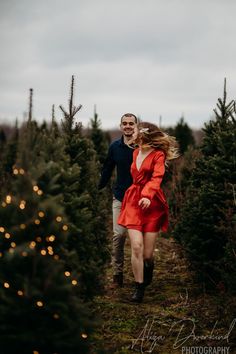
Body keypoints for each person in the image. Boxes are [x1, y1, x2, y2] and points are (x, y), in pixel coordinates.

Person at [118, 122, 179, 302]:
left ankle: (148, 268)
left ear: (143, 133)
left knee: (148, 255)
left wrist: (147, 195)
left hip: (151, 203)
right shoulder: (135, 152)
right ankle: (139, 287)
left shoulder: (158, 155)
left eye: (135, 129)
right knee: (136, 246)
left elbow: (156, 177)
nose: (132, 132)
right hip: (133, 202)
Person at [98, 113, 138, 288]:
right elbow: (108, 168)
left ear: (136, 125)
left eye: (131, 123)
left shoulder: (142, 146)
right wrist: (98, 186)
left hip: (138, 199)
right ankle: (117, 275)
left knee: (138, 241)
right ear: (120, 126)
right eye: (125, 123)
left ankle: (141, 276)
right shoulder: (115, 147)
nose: (128, 126)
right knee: (118, 236)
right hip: (120, 198)